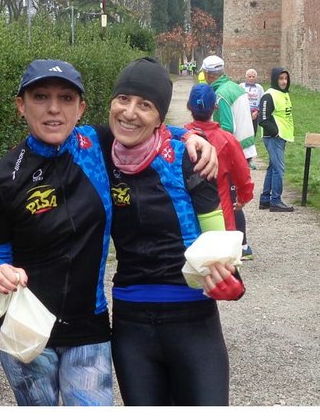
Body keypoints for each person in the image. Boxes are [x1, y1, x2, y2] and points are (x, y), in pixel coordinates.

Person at [0, 58, 240, 406]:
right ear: (21, 105)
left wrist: (193, 135)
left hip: (92, 331)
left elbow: (148, 130)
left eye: (66, 98)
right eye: (40, 97)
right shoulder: (3, 176)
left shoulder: (95, 145)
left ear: (81, 108)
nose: (53, 109)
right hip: (27, 327)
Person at [101, 58, 244, 406]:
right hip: (132, 324)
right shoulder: (100, 151)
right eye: (123, 99)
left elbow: (217, 241)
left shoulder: (189, 157)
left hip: (192, 319)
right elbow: (48, 144)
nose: (129, 112)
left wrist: (231, 280)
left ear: (159, 118)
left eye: (145, 105)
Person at [185, 84, 255, 260]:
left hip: (186, 212)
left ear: (188, 106)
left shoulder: (181, 139)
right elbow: (243, 175)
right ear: (215, 107)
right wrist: (243, 197)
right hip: (220, 212)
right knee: (221, 265)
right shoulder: (227, 140)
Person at [201, 55, 255, 257]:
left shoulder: (220, 94)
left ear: (208, 74)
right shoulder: (234, 87)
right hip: (245, 148)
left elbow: (226, 128)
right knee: (235, 198)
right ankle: (240, 244)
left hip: (233, 151)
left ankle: (242, 246)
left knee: (232, 202)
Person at [258, 67, 295, 212]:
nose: (284, 81)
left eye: (286, 78)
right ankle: (276, 201)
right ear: (275, 79)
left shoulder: (283, 94)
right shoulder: (269, 95)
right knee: (279, 169)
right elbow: (263, 119)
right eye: (280, 78)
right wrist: (276, 133)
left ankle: (265, 199)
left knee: (273, 167)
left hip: (281, 137)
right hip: (273, 138)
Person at [239, 68, 264, 138]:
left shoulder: (259, 88)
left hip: (254, 113)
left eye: (253, 77)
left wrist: (257, 111)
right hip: (243, 112)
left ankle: (252, 142)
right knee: (243, 131)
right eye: (249, 76)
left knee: (253, 131)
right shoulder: (241, 86)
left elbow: (262, 100)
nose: (251, 78)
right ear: (246, 77)